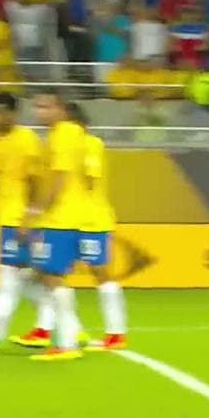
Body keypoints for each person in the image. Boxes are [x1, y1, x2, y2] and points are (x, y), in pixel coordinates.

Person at [0, 92, 54, 351]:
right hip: (7, 218)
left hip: (20, 220)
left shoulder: (26, 140)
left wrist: (28, 218)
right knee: (28, 277)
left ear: (14, 113)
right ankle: (53, 326)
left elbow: (35, 182)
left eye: (0, 112)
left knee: (10, 276)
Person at [24, 88, 86, 361]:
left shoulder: (64, 135)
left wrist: (37, 211)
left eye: (46, 107)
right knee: (41, 275)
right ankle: (69, 335)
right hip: (59, 217)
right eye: (37, 106)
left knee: (52, 277)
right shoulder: (59, 135)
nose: (40, 112)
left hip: (61, 218)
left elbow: (59, 180)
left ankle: (68, 343)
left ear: (61, 109)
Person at [67, 102, 129, 351]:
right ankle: (71, 329)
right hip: (66, 219)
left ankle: (116, 331)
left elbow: (90, 180)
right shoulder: (63, 146)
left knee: (100, 272)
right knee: (49, 272)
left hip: (90, 220)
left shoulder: (91, 144)